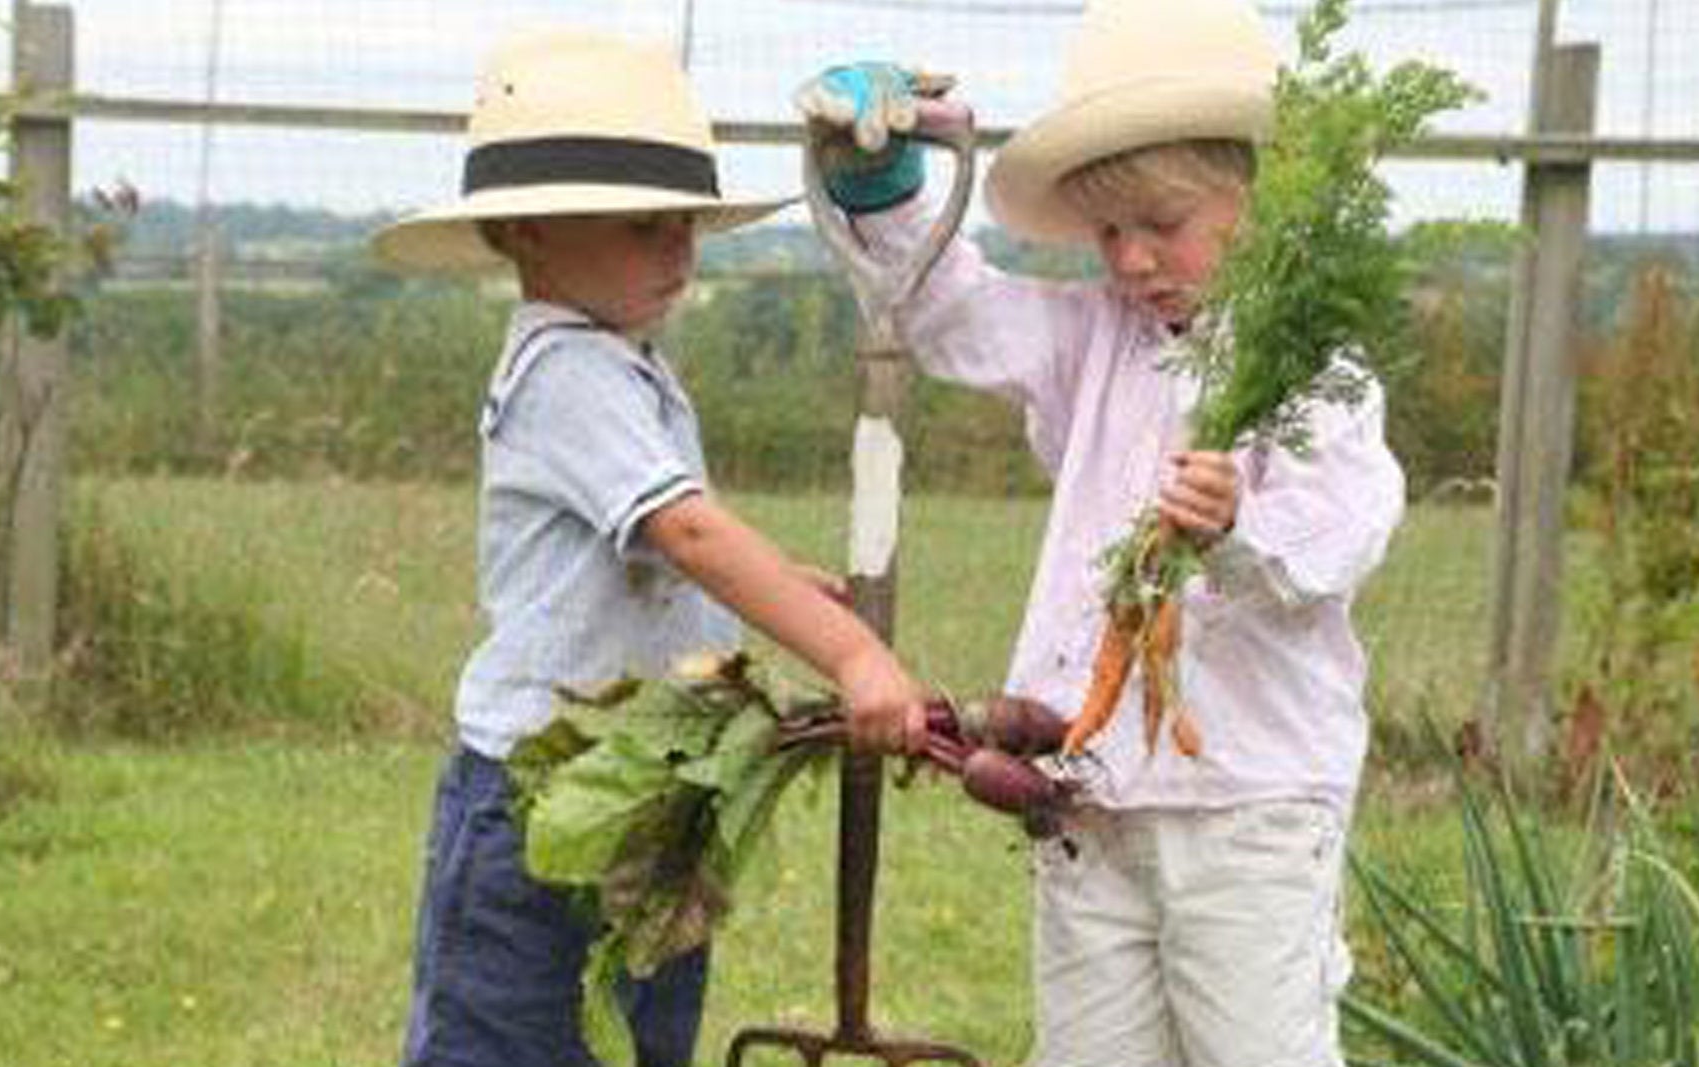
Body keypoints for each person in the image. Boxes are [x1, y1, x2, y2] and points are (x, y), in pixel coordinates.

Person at [795, 0, 1405, 1063]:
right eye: (1107, 232)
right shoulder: (1090, 340)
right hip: (1090, 791)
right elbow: (950, 311)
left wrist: (1235, 524)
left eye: (1159, 226)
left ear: (1255, 201)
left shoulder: (1315, 371)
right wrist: (881, 188)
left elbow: (1341, 533)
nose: (1128, 260)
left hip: (1246, 803)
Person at [373, 29, 931, 1067]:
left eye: (686, 224)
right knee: (506, 1038)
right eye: (642, 227)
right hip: (537, 801)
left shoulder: (624, 364)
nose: (677, 252)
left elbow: (659, 547)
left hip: (642, 787)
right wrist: (850, 654)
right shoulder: (566, 370)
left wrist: (783, 589)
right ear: (530, 233)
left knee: (635, 1039)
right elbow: (685, 527)